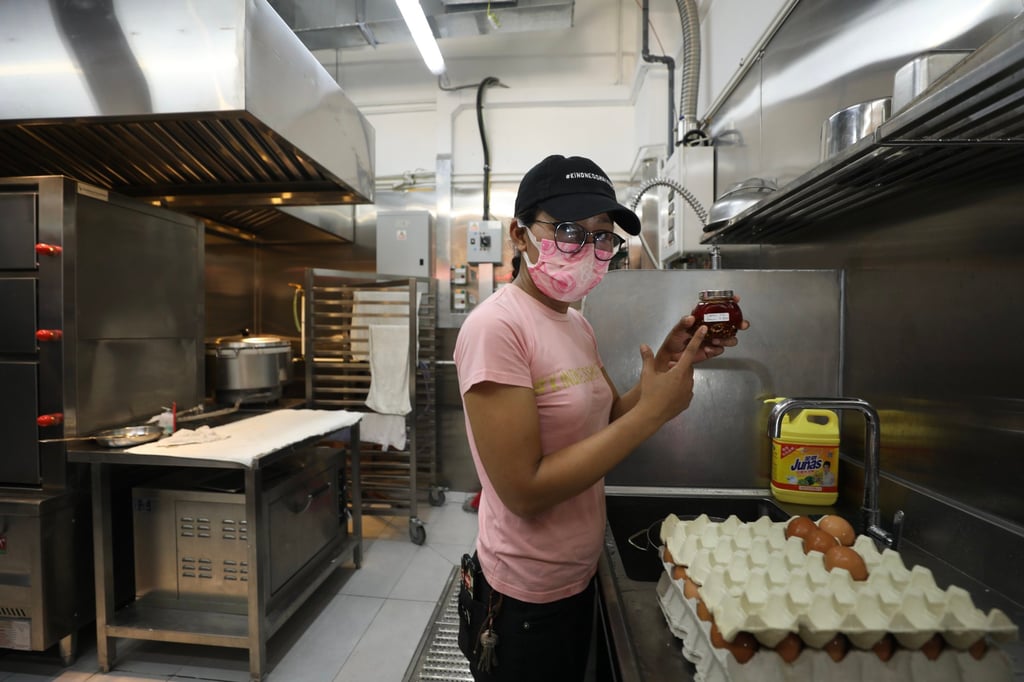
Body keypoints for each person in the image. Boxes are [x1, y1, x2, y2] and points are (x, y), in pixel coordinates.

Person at [453, 154, 749, 681]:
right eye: (569, 231)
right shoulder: (496, 328)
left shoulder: (574, 324)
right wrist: (653, 415)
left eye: (602, 238)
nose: (589, 251)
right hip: (524, 595)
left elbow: (610, 416)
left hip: (578, 573)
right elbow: (523, 490)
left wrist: (665, 367)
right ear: (520, 235)